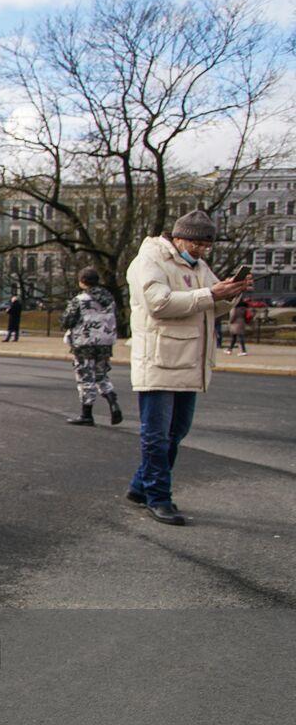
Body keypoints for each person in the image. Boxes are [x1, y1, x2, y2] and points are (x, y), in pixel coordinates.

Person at [125, 210, 250, 525]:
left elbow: (210, 306)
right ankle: (158, 496)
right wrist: (211, 293)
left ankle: (141, 487)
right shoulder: (150, 260)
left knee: (176, 431)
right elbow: (160, 304)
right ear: (177, 236)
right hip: (159, 359)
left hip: (188, 361)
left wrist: (231, 293)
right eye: (194, 242)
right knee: (156, 435)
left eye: (205, 245)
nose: (199, 249)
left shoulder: (199, 267)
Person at [60, 267, 123, 426]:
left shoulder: (80, 300)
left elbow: (67, 320)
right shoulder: (109, 299)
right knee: (101, 374)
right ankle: (112, 400)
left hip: (84, 342)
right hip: (105, 342)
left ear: (82, 282)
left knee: (85, 376)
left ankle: (86, 413)